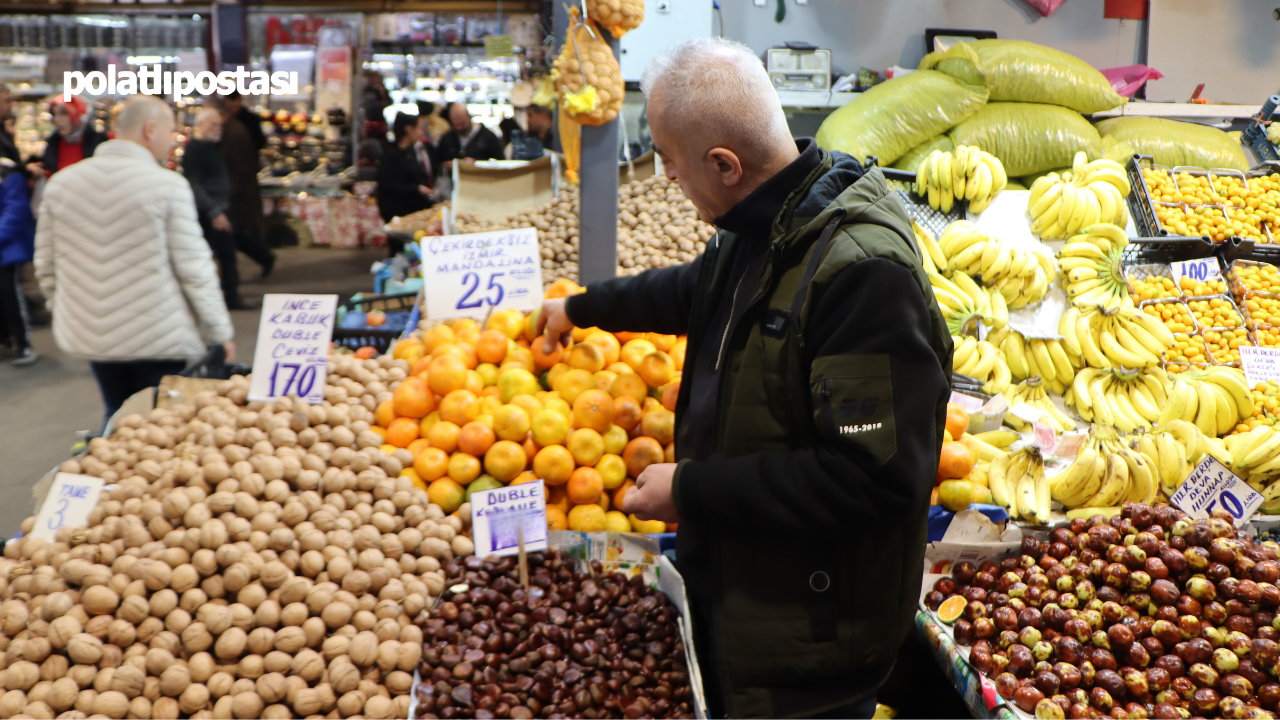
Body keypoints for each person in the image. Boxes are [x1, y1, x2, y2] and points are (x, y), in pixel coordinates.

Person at [536, 38, 951, 719]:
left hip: (809, 643)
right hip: (748, 604)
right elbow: (694, 291)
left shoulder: (861, 274)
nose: (667, 179)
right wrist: (580, 308)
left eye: (670, 164)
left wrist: (691, 489)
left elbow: (873, 480)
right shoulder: (766, 226)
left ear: (723, 165)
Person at [34, 95, 235, 430]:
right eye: (171, 131)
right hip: (157, 336)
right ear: (150, 129)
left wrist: (68, 311)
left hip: (91, 334)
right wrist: (219, 333)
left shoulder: (61, 184)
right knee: (160, 423)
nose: (174, 140)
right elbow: (194, 269)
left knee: (115, 412)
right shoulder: (167, 186)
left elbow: (45, 264)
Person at [184, 108, 253, 310]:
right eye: (214, 124)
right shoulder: (195, 150)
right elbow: (195, 184)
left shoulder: (209, 146)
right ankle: (222, 297)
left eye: (219, 125)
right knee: (216, 254)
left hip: (217, 209)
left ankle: (230, 295)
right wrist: (214, 211)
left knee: (226, 254)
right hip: (208, 212)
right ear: (201, 124)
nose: (218, 129)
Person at [216, 96, 275, 279]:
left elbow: (246, 159)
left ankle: (262, 258)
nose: (233, 108)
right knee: (235, 233)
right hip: (236, 186)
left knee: (237, 233)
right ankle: (262, 258)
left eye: (235, 105)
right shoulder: (231, 128)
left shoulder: (239, 128)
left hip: (239, 187)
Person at [0, 155, 35, 366]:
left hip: (9, 247)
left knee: (10, 293)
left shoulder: (9, 172)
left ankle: (23, 343)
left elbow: (16, 209)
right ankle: (4, 339)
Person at [376, 113, 434, 224]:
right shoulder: (391, 155)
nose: (421, 132)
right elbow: (388, 184)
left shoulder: (412, 152)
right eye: (418, 128)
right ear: (409, 129)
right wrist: (416, 189)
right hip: (398, 214)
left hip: (414, 214)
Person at [36, 97, 106, 177]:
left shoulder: (98, 142)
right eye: (54, 114)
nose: (57, 119)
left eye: (63, 113)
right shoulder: (53, 144)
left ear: (77, 114)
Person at [437, 103, 503, 171]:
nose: (459, 128)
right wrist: (446, 166)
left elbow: (500, 162)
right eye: (455, 124)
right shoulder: (447, 138)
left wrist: (477, 164)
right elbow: (437, 162)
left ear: (469, 117)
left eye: (462, 123)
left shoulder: (488, 137)